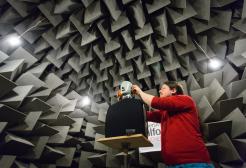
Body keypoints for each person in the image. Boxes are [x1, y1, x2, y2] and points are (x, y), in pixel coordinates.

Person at [132, 81, 214, 168]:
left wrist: (140, 92)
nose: (159, 91)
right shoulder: (164, 113)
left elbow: (157, 102)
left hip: (194, 162)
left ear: (173, 90)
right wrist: (127, 102)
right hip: (172, 164)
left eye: (163, 88)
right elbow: (145, 115)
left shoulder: (185, 100)